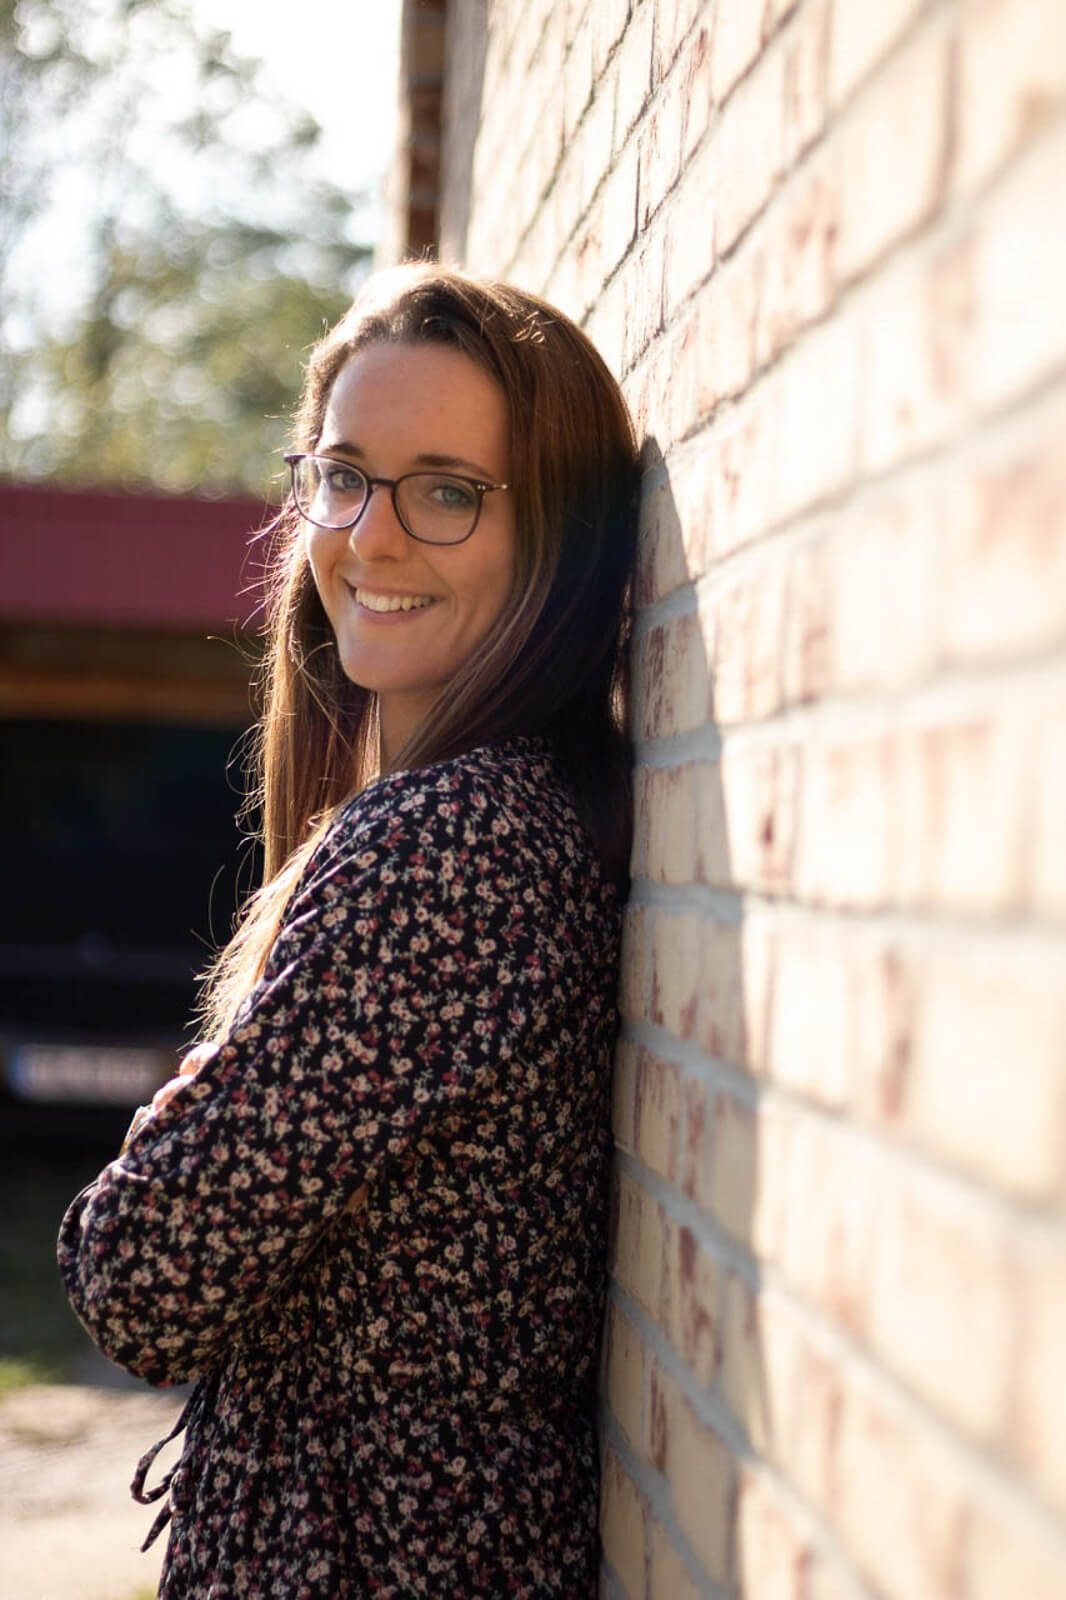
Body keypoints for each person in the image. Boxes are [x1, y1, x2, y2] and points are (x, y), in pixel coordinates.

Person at [58, 263, 641, 1598]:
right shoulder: (501, 815)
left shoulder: (445, 850)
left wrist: (180, 1117)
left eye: (446, 492)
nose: (369, 539)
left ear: (552, 533)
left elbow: (137, 1276)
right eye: (341, 475)